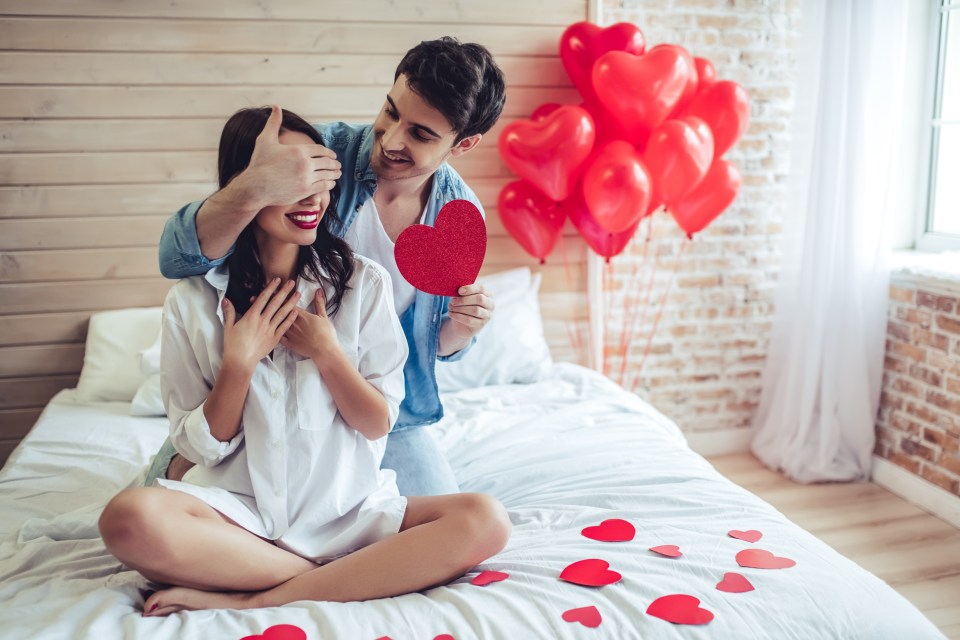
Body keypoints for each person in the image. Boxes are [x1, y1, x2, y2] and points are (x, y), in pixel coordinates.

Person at [99, 107, 511, 616]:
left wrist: (327, 353)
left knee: (486, 518)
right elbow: (201, 446)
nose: (312, 197)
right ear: (246, 185)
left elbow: (378, 420)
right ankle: (349, 575)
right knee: (128, 519)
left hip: (348, 512)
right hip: (242, 513)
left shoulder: (364, 284)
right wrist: (239, 363)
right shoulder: (194, 300)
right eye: (290, 180)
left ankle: (258, 592)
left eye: (320, 179)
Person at [148, 37, 507, 496]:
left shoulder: (458, 213)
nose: (391, 139)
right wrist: (253, 188)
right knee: (151, 515)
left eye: (421, 134)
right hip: (258, 398)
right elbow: (176, 258)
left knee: (441, 527)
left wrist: (463, 330)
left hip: (370, 409)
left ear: (464, 144)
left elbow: (425, 348)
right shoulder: (317, 154)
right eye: (391, 112)